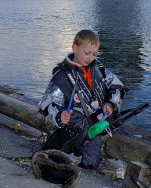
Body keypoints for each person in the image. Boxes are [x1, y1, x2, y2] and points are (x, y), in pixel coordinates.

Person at [38, 29, 124, 169]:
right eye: (87, 53)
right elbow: (45, 104)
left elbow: (117, 85)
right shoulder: (61, 75)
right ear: (74, 48)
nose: (90, 58)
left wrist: (110, 103)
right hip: (76, 130)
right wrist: (60, 115)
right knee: (87, 162)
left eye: (94, 54)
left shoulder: (99, 69)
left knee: (91, 163)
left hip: (100, 124)